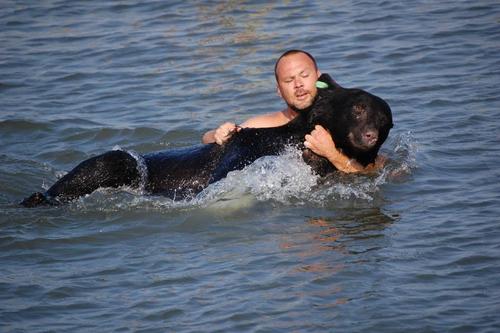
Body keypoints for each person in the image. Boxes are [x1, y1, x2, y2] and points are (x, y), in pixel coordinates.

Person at [202, 50, 384, 173]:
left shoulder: (341, 121)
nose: (298, 85)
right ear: (279, 91)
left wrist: (332, 154)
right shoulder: (266, 124)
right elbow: (206, 140)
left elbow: (378, 173)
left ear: (319, 78)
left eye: (304, 76)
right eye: (289, 81)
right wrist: (217, 134)